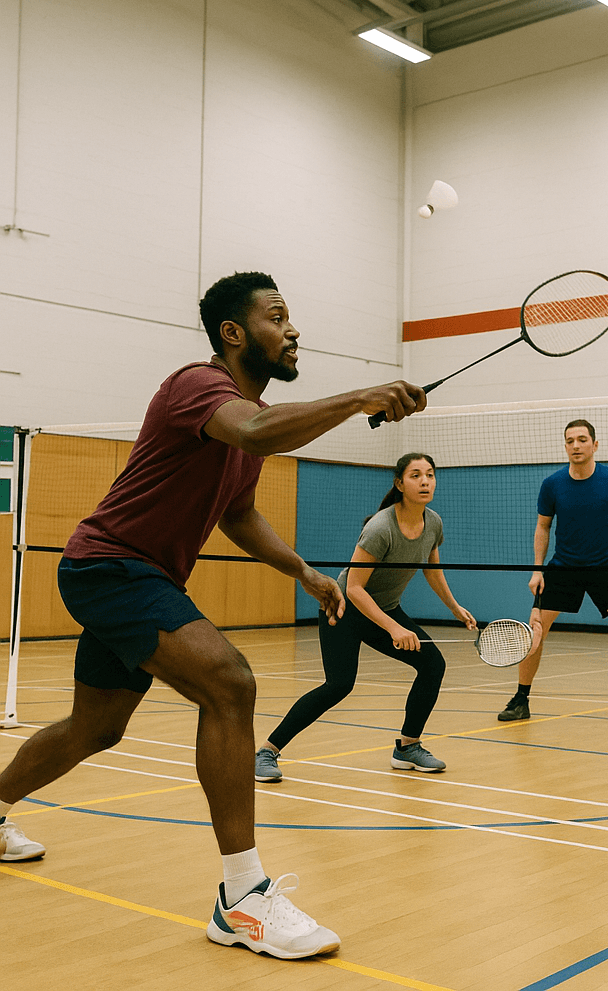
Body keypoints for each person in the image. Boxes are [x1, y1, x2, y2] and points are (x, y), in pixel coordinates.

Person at [0, 271, 426, 959]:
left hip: (135, 576)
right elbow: (257, 433)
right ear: (233, 333)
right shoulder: (199, 387)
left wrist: (304, 572)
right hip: (112, 567)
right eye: (277, 318)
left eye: (292, 320)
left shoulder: (244, 423)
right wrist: (358, 398)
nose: (293, 331)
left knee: (95, 729)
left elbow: (237, 513)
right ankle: (242, 899)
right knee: (230, 683)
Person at [255, 453, 475, 779]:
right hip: (344, 608)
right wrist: (394, 628)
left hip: (383, 608)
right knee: (338, 685)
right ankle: (267, 751)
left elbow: (432, 567)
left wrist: (454, 606)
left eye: (430, 474)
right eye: (416, 475)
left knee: (432, 664)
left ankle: (407, 747)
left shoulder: (433, 523)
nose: (425, 481)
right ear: (400, 483)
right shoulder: (381, 527)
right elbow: (356, 588)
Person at [497, 419, 608, 726]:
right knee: (535, 634)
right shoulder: (552, 484)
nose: (575, 446)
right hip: (563, 569)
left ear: (595, 444)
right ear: (565, 446)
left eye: (581, 440)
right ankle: (521, 699)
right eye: (569, 441)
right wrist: (538, 570)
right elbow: (543, 526)